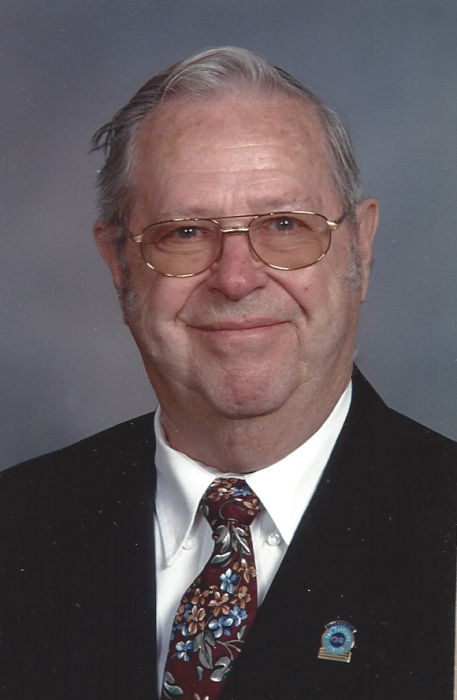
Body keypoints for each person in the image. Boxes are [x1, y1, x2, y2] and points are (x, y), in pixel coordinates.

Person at [1, 47, 455, 700]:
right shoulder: (17, 528)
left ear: (359, 246)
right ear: (118, 264)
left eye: (284, 224)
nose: (236, 279)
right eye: (184, 232)